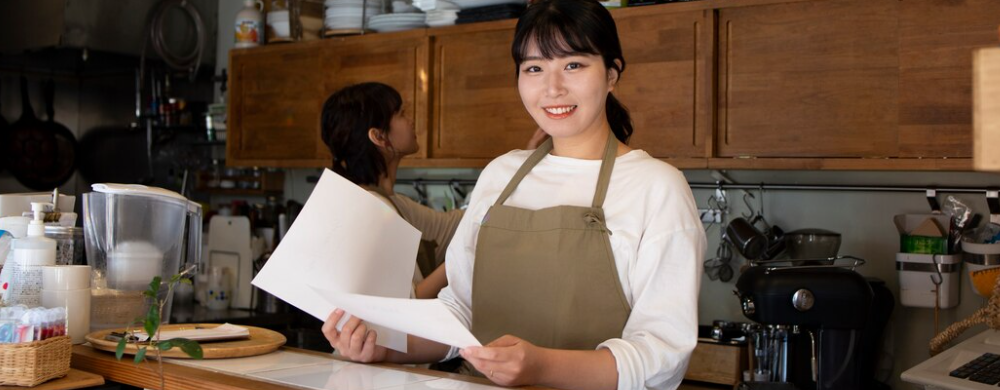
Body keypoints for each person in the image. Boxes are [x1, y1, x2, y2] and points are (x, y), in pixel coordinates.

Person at [322, 0, 707, 389]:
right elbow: (460, 314)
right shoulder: (500, 176)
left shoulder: (656, 187)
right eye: (534, 68)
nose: (552, 88)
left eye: (573, 65)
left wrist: (542, 367)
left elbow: (663, 354)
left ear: (611, 73)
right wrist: (384, 348)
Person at [320, 82, 463, 299]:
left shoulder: (388, 202)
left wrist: (519, 169)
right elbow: (408, 303)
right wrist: (463, 258)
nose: (411, 120)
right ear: (378, 136)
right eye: (401, 114)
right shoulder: (371, 210)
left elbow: (453, 226)